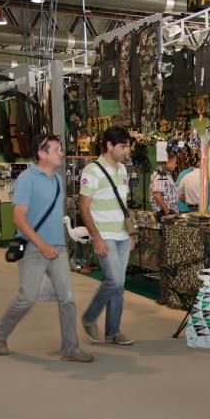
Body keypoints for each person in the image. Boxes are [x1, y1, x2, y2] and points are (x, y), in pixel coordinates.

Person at [0, 135, 93, 362]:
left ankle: (71, 348)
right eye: (57, 150)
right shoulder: (27, 179)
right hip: (34, 249)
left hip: (58, 249)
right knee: (27, 298)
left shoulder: (57, 180)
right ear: (42, 153)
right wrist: (42, 244)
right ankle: (0, 332)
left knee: (67, 298)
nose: (61, 153)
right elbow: (18, 217)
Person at [79, 126, 136, 346]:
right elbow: (84, 208)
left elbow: (123, 204)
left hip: (123, 235)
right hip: (105, 235)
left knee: (119, 285)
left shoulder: (122, 170)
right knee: (113, 280)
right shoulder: (91, 171)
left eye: (128, 146)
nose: (126, 150)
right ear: (110, 146)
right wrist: (97, 237)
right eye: (123, 146)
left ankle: (113, 331)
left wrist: (132, 234)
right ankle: (89, 317)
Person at [150, 153, 179, 223]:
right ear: (168, 162)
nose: (176, 165)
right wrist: (167, 211)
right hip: (164, 213)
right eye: (175, 163)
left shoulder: (166, 174)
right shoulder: (161, 174)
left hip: (168, 212)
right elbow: (156, 194)